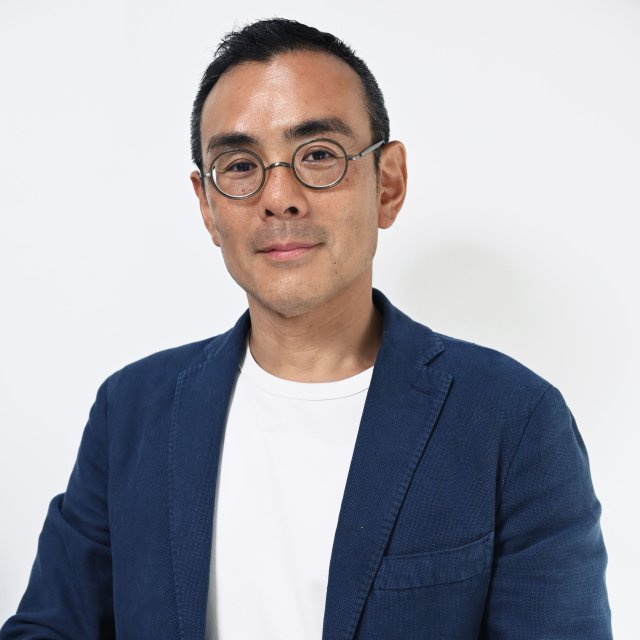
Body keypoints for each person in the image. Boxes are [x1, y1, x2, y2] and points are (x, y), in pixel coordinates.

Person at [1, 18, 612, 640]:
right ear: (207, 207)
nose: (280, 197)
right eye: (241, 165)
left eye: (318, 155)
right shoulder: (132, 411)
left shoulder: (512, 420)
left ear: (388, 183)